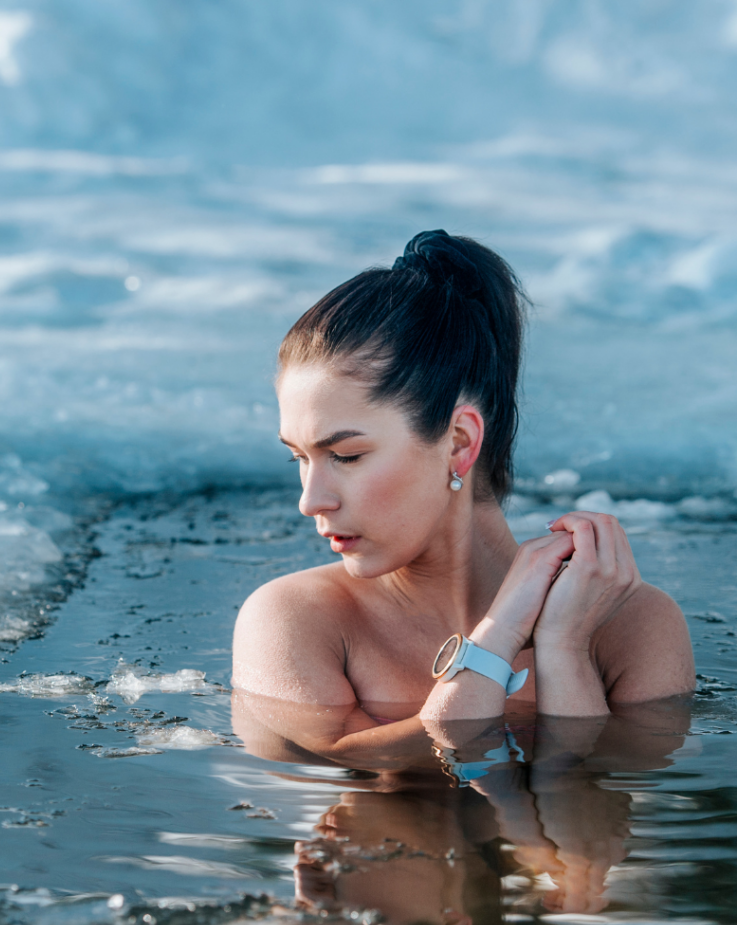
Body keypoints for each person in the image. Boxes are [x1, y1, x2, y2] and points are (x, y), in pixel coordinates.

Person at [232, 229, 695, 727]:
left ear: (458, 441)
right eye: (298, 458)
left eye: (345, 455)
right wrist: (498, 637)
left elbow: (585, 805)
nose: (310, 501)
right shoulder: (295, 619)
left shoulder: (635, 625)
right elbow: (337, 776)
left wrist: (565, 648)